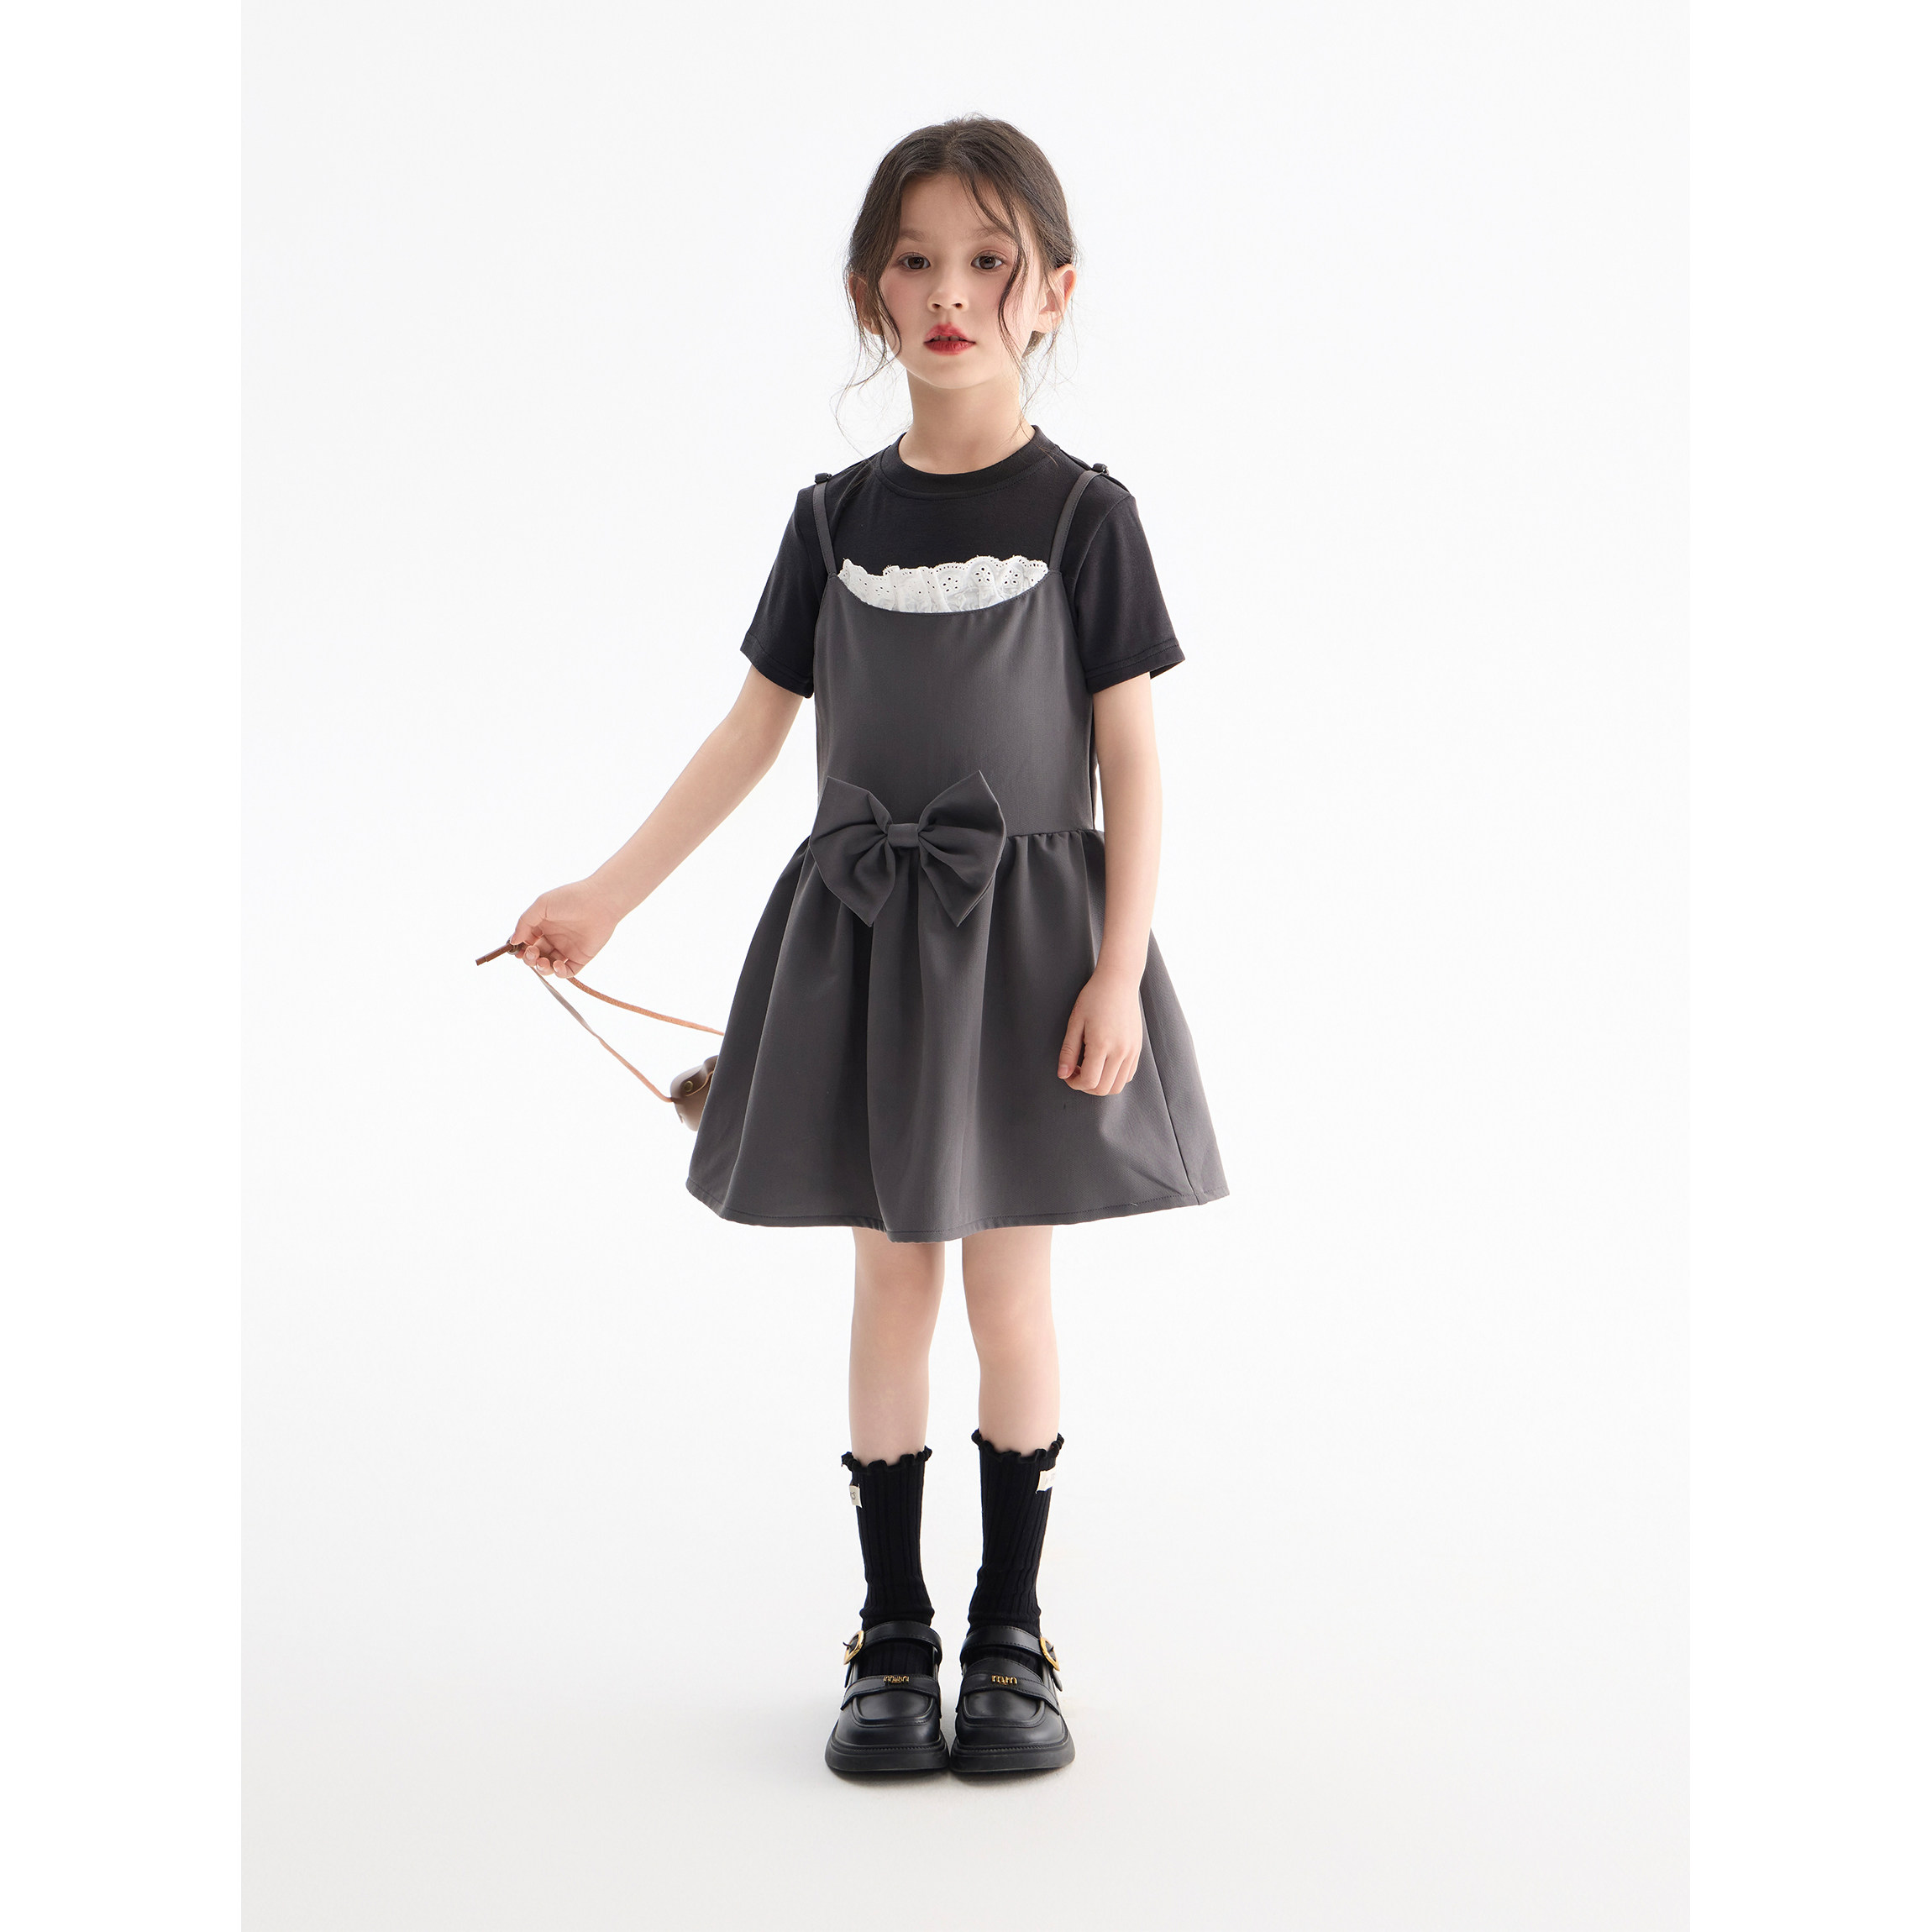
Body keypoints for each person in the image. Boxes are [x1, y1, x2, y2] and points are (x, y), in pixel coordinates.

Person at [503, 116, 1228, 1776]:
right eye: (916, 261)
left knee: (1011, 1285)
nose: (950, 293)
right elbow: (749, 734)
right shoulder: (831, 519)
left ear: (1053, 292)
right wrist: (604, 894)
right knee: (891, 1275)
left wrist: (1117, 966)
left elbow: (1130, 760)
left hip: (1028, 953)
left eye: (988, 262)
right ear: (868, 293)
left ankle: (1011, 1632)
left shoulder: (1086, 513)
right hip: (865, 945)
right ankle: (891, 1629)